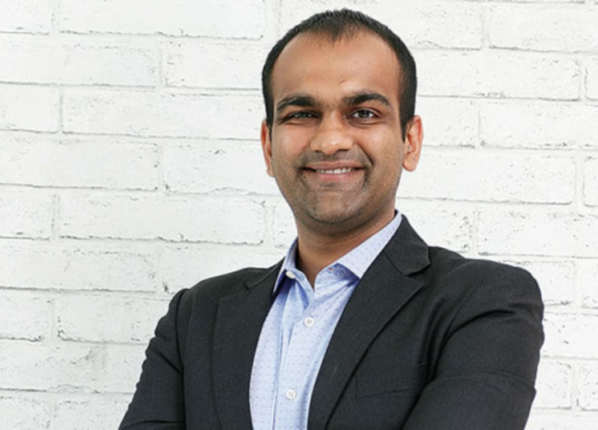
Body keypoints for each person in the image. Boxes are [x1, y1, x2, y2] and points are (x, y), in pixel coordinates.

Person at [120, 9, 544, 430]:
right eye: (301, 114)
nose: (330, 141)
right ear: (268, 146)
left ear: (410, 141)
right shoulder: (197, 317)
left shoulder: (484, 303)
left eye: (364, 113)